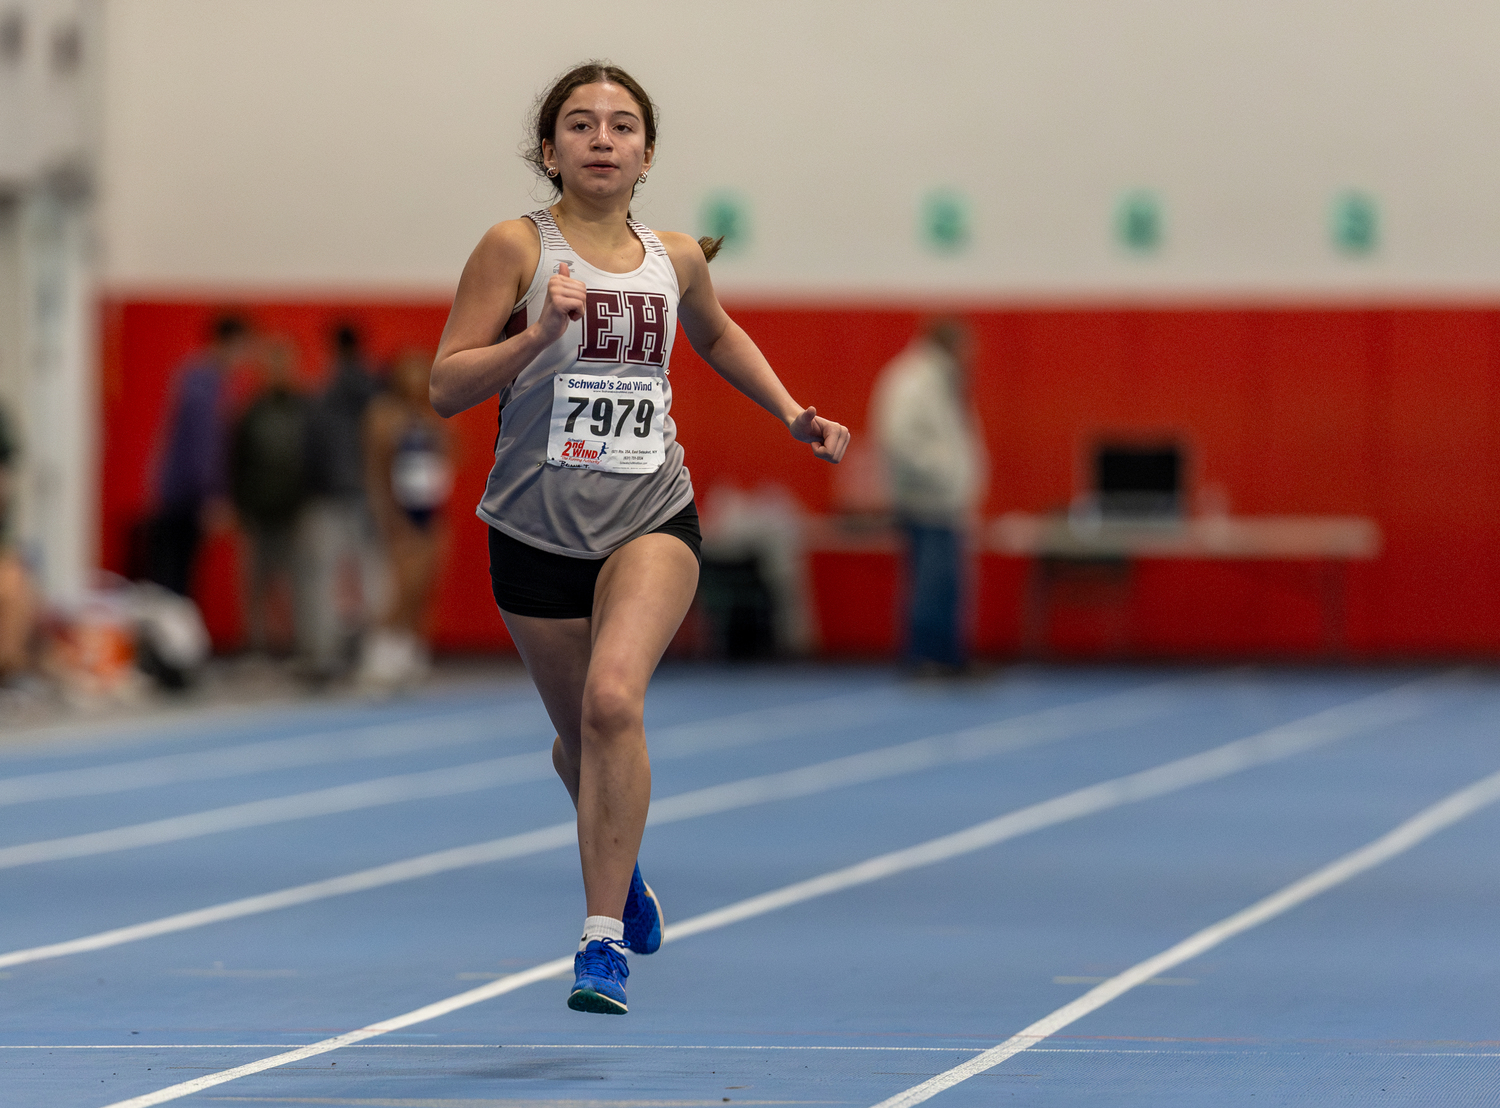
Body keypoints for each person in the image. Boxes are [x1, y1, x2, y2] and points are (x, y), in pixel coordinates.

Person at [429, 61, 849, 1015]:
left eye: (622, 126)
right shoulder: (511, 249)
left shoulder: (676, 258)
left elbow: (719, 334)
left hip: (650, 514)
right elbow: (446, 385)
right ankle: (630, 867)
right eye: (581, 124)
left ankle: (601, 938)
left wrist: (792, 413)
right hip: (531, 530)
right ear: (550, 151)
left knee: (614, 703)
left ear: (648, 153)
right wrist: (533, 339)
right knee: (579, 739)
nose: (603, 138)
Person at [869, 319, 988, 675]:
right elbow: (899, 441)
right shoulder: (914, 381)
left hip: (945, 501)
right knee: (930, 583)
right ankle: (924, 657)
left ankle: (948, 656)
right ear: (950, 344)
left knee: (948, 584)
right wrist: (943, 476)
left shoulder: (942, 382)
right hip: (925, 500)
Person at [359, 349, 453, 687]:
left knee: (422, 590)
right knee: (400, 590)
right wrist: (389, 518)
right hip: (400, 513)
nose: (416, 382)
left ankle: (409, 655)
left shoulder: (432, 415)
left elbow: (452, 456)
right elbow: (375, 471)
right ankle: (378, 660)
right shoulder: (384, 415)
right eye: (409, 375)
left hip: (431, 511)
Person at [299, 323, 383, 679]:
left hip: (332, 495)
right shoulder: (376, 393)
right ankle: (373, 654)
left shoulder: (325, 394)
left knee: (324, 579)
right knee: (371, 577)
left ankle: (324, 656)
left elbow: (312, 447)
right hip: (367, 494)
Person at [146, 315, 250, 597]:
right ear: (226, 343)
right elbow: (202, 446)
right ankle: (172, 639)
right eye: (241, 348)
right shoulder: (206, 384)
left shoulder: (197, 378)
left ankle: (173, 633)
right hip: (185, 496)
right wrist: (210, 497)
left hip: (178, 492)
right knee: (175, 579)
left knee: (176, 576)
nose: (243, 358)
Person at [228, 339, 309, 655]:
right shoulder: (251, 412)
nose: (277, 372)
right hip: (258, 511)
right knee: (256, 584)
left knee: (296, 583)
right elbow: (237, 460)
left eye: (282, 365)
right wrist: (238, 505)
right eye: (271, 366)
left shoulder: (304, 410)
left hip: (295, 511)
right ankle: (257, 646)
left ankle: (295, 645)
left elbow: (313, 458)